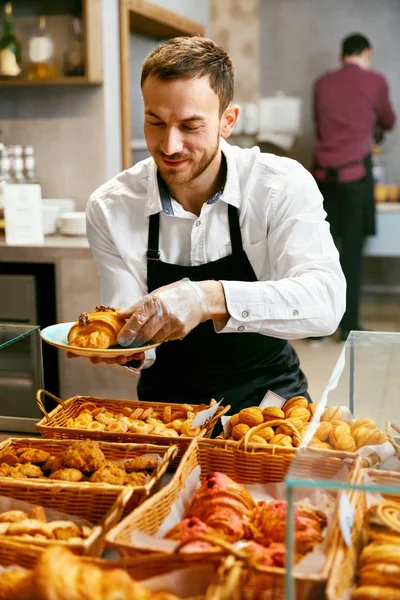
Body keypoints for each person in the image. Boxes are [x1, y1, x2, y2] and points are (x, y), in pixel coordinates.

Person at [79, 36, 345, 413]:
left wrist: (207, 298)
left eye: (190, 126)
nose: (169, 146)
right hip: (169, 410)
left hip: (269, 400)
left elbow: (326, 302)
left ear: (227, 121)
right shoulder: (110, 207)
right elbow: (129, 321)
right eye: (155, 122)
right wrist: (127, 346)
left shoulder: (279, 185)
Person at [313, 33, 396, 342]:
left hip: (322, 180)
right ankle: (348, 326)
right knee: (352, 254)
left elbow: (320, 126)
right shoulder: (375, 81)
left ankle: (318, 327)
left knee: (320, 253)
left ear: (341, 55)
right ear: (366, 53)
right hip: (355, 177)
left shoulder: (322, 83)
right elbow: (389, 121)